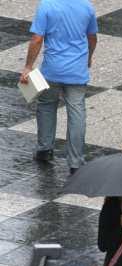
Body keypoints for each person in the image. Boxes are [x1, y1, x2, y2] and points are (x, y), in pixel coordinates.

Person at [20, 0, 98, 175]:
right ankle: (76, 161)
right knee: (77, 112)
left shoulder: (46, 6)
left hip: (52, 70)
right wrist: (88, 58)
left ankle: (44, 149)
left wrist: (28, 66)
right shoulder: (87, 6)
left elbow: (37, 39)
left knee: (47, 106)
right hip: (77, 71)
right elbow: (92, 38)